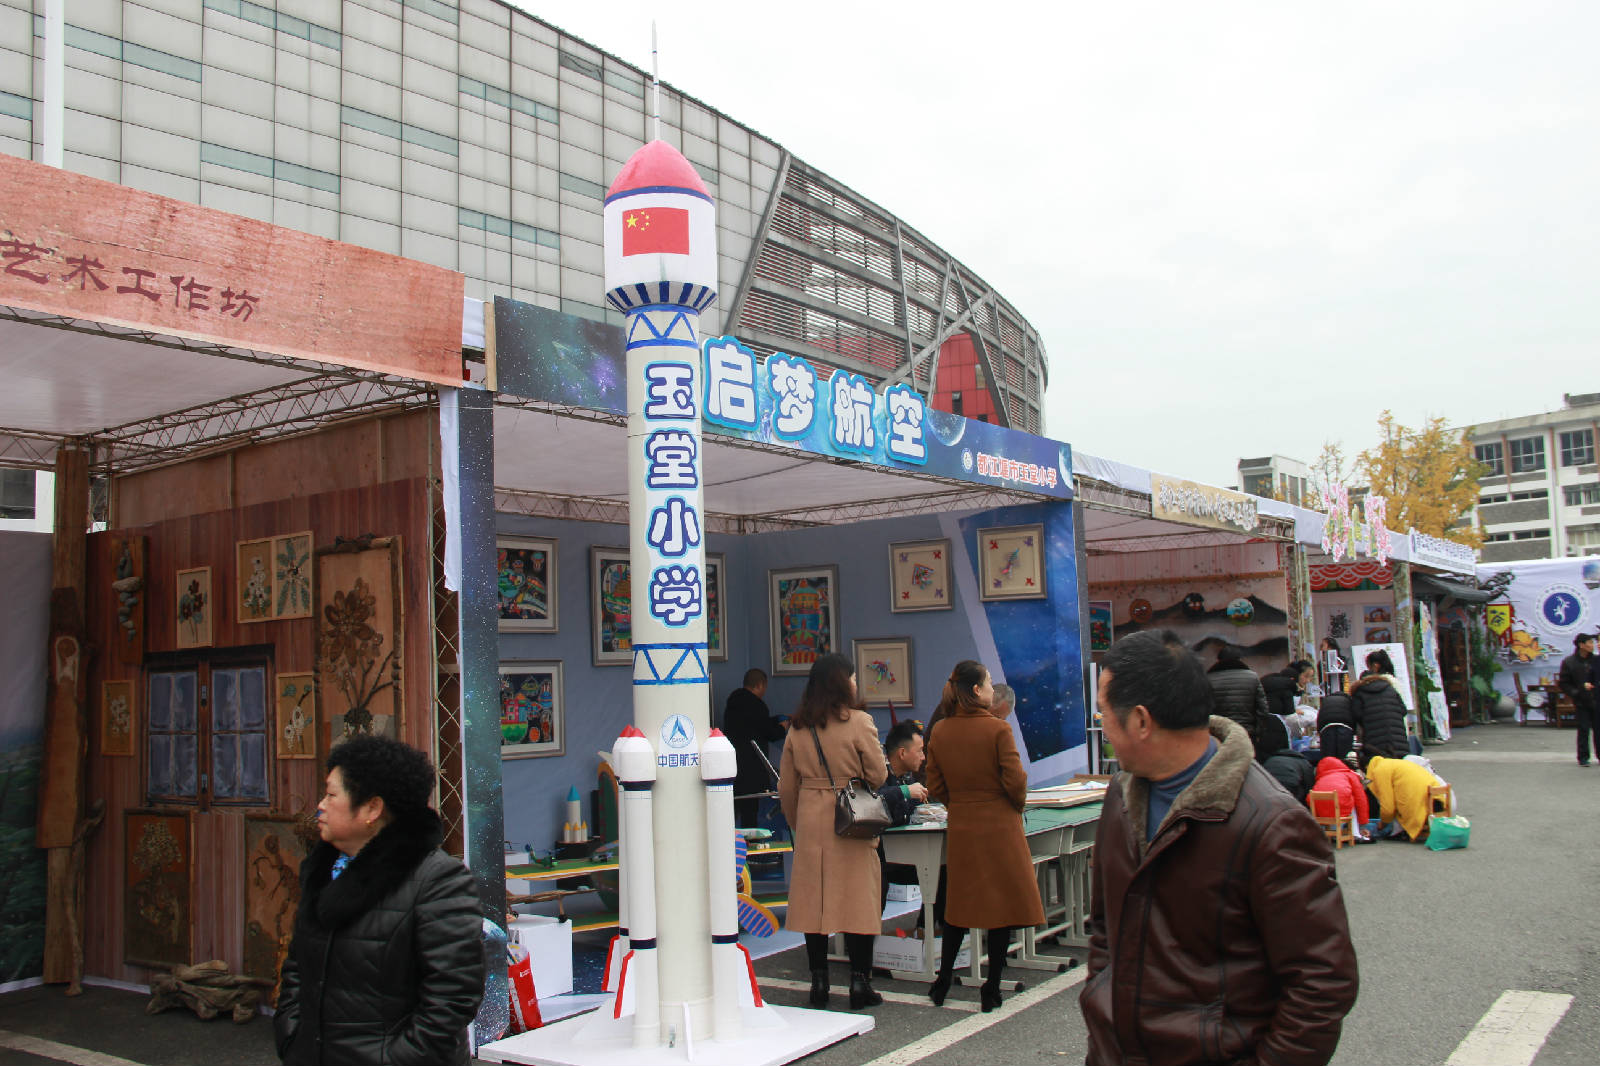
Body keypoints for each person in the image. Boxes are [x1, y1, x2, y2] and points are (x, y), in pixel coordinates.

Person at [1080, 630, 1357, 1066]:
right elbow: (1105, 926)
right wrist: (1103, 1007)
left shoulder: (1271, 824)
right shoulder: (1122, 796)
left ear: (1141, 721)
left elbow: (1321, 984)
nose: (1102, 724)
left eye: (1104, 712)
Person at [275, 736, 484, 1065]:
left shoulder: (438, 880)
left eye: (331, 795)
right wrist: (291, 1035)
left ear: (372, 808)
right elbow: (297, 968)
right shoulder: (323, 872)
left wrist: (395, 1059)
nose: (321, 805)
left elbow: (452, 997)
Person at [923, 662, 1043, 1012]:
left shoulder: (941, 730)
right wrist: (1012, 805)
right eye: (989, 683)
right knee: (1000, 906)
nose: (992, 688)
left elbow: (935, 783)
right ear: (976, 690)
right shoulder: (998, 729)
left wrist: (960, 805)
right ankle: (991, 988)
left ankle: (943, 980)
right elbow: (1015, 780)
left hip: (962, 823)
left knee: (959, 904)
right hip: (1000, 823)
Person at [777, 653, 888, 1011]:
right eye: (852, 677)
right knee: (858, 901)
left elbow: (786, 786)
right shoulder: (859, 722)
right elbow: (878, 774)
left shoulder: (798, 727)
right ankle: (859, 982)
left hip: (811, 818)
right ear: (842, 683)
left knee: (815, 903)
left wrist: (798, 820)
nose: (855, 683)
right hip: (850, 818)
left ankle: (819, 982)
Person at [877, 720, 934, 920]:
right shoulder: (878, 775)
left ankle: (925, 928)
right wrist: (904, 792)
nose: (923, 757)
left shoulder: (909, 778)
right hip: (879, 858)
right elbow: (874, 800)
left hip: (906, 856)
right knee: (877, 884)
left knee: (943, 873)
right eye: (919, 751)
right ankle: (866, 937)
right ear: (902, 753)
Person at [722, 668, 787, 826]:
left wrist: (774, 720)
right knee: (750, 815)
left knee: (732, 814)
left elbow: (754, 725)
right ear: (759, 685)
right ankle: (750, 841)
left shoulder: (733, 702)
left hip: (732, 766)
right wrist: (782, 728)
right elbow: (768, 732)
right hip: (751, 770)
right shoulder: (757, 705)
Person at [1362, 752, 1436, 841]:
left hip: (1420, 802)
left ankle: (1400, 831)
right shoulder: (1393, 763)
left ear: (1366, 768)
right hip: (1436, 797)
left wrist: (1382, 823)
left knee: (1395, 806)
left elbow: (1388, 807)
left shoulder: (1379, 770)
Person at [1350, 649, 1409, 758]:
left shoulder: (1360, 691)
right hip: (1398, 737)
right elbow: (1403, 710)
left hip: (1375, 741)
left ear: (1375, 665)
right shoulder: (1389, 685)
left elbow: (1357, 715)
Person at [1206, 644, 1269, 743]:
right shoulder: (1252, 677)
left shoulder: (1209, 679)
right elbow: (1263, 709)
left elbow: (1205, 709)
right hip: (1246, 732)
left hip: (1219, 734)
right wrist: (1258, 731)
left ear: (1218, 660)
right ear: (1239, 659)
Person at [1558, 632, 1598, 766]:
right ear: (1581, 645)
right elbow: (1564, 683)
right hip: (1581, 700)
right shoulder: (1569, 662)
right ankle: (1583, 757)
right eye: (1590, 643)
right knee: (1583, 729)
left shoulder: (1596, 660)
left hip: (1597, 699)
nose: (1592, 645)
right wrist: (1576, 692)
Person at [1312, 753, 1372, 843]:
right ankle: (1355, 834)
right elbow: (1361, 800)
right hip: (1341, 810)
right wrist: (1363, 824)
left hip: (1321, 813)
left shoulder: (1322, 778)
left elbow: (1309, 798)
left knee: (1332, 805)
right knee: (1352, 799)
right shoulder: (1349, 775)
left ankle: (1331, 833)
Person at [1255, 713, 1314, 805]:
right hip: (1292, 798)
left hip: (1269, 797)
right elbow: (1309, 788)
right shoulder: (1303, 762)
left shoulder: (1267, 763)